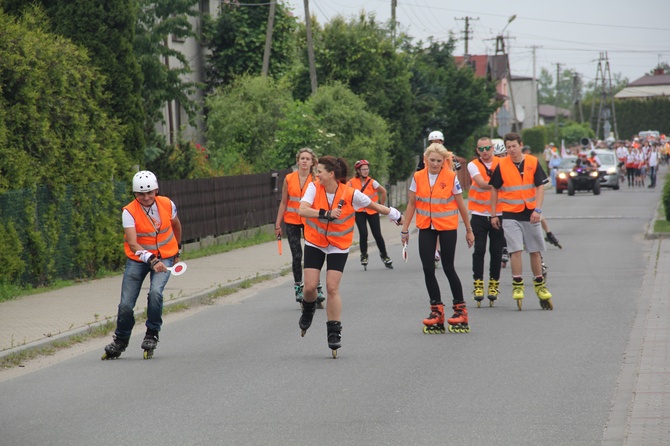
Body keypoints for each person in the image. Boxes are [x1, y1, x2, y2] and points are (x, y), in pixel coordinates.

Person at [298, 156, 402, 357]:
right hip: (315, 241)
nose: (316, 174)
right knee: (310, 287)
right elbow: (301, 209)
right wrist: (326, 213)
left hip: (338, 245)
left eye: (319, 171)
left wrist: (395, 215)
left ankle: (334, 332)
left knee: (331, 287)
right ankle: (308, 308)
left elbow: (375, 206)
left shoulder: (350, 194)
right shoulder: (314, 187)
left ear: (331, 174)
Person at [102, 170, 182, 360]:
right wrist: (151, 260)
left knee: (155, 293)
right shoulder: (129, 212)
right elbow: (133, 243)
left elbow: (176, 225)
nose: (146, 197)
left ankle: (151, 334)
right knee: (126, 305)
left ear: (156, 190)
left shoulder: (167, 204)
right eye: (140, 194)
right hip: (138, 260)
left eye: (149, 193)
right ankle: (120, 339)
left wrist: (177, 250)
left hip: (165, 257)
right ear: (135, 194)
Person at [401, 143, 474, 334]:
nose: (435, 164)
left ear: (444, 161)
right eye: (432, 160)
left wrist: (468, 229)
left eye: (438, 161)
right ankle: (436, 310)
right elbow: (411, 204)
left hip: (447, 227)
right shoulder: (418, 177)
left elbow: (461, 205)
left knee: (449, 267)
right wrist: (405, 229)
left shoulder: (451, 177)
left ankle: (460, 310)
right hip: (426, 227)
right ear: (425, 160)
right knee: (427, 268)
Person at [489, 132, 553, 311]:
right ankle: (517, 283)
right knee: (515, 250)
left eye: (514, 146)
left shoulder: (532, 162)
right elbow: (494, 189)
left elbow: (540, 186)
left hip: (530, 212)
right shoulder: (502, 165)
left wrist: (538, 210)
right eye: (508, 147)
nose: (511, 150)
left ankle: (539, 285)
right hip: (510, 213)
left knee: (534, 250)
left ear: (520, 145)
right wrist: (494, 214)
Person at [274, 148, 324, 306]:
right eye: (302, 158)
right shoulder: (289, 178)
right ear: (297, 161)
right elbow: (284, 202)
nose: (304, 161)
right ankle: (298, 287)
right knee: (297, 255)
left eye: (307, 159)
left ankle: (317, 287)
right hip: (291, 221)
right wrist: (277, 224)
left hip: (310, 221)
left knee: (313, 255)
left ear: (312, 162)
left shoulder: (317, 179)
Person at [467, 137, 505, 307]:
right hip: (479, 214)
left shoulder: (502, 163)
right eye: (481, 149)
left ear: (493, 148)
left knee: (496, 251)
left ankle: (494, 284)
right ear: (477, 150)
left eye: (488, 148)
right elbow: (482, 184)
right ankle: (478, 284)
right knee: (479, 249)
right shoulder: (473, 164)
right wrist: (498, 184)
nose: (485, 151)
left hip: (499, 213)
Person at [347, 160, 393, 270]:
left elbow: (383, 191)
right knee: (363, 234)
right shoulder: (352, 182)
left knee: (377, 234)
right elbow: (345, 193)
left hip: (372, 212)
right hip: (359, 212)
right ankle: (364, 255)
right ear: (358, 171)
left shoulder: (372, 182)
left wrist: (381, 206)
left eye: (367, 169)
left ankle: (385, 255)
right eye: (363, 169)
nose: (366, 171)